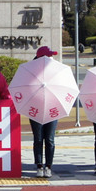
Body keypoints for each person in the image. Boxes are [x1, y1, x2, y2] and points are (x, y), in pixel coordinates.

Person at [28, 46, 58, 178]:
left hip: (52, 109)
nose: (51, 58)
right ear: (41, 58)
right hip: (36, 110)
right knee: (38, 139)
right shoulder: (31, 72)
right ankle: (39, 166)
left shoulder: (56, 71)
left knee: (50, 140)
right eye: (49, 56)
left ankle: (49, 166)